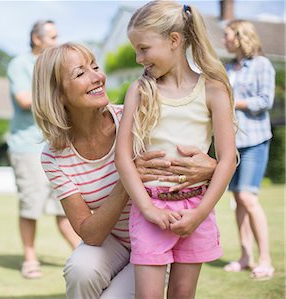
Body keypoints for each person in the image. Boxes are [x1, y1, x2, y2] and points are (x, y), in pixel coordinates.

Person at [32, 42, 217, 298]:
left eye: (95, 66)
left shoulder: (136, 117)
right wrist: (129, 176)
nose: (97, 77)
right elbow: (91, 234)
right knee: (80, 269)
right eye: (80, 73)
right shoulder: (54, 157)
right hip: (114, 241)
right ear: (57, 95)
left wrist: (212, 167)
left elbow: (187, 155)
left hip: (157, 239)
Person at [115, 1, 237, 298]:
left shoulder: (214, 89)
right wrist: (148, 209)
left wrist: (200, 214)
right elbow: (123, 157)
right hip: (151, 211)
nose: (138, 57)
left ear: (173, 40)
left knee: (183, 294)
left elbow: (227, 160)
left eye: (144, 48)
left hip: (197, 210)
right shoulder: (140, 90)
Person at [6, 19, 80, 279]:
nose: (56, 42)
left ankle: (84, 255)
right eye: (52, 37)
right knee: (31, 206)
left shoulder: (54, 65)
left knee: (65, 205)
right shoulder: (20, 64)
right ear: (37, 39)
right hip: (27, 147)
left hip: (57, 143)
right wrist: (60, 92)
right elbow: (24, 99)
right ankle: (29, 259)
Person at [222, 19, 275, 280]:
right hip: (232, 144)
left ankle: (265, 259)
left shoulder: (262, 64)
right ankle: (245, 256)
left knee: (247, 197)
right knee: (238, 201)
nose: (224, 39)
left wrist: (234, 102)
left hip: (255, 140)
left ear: (240, 36)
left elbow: (265, 101)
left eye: (227, 35)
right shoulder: (229, 67)